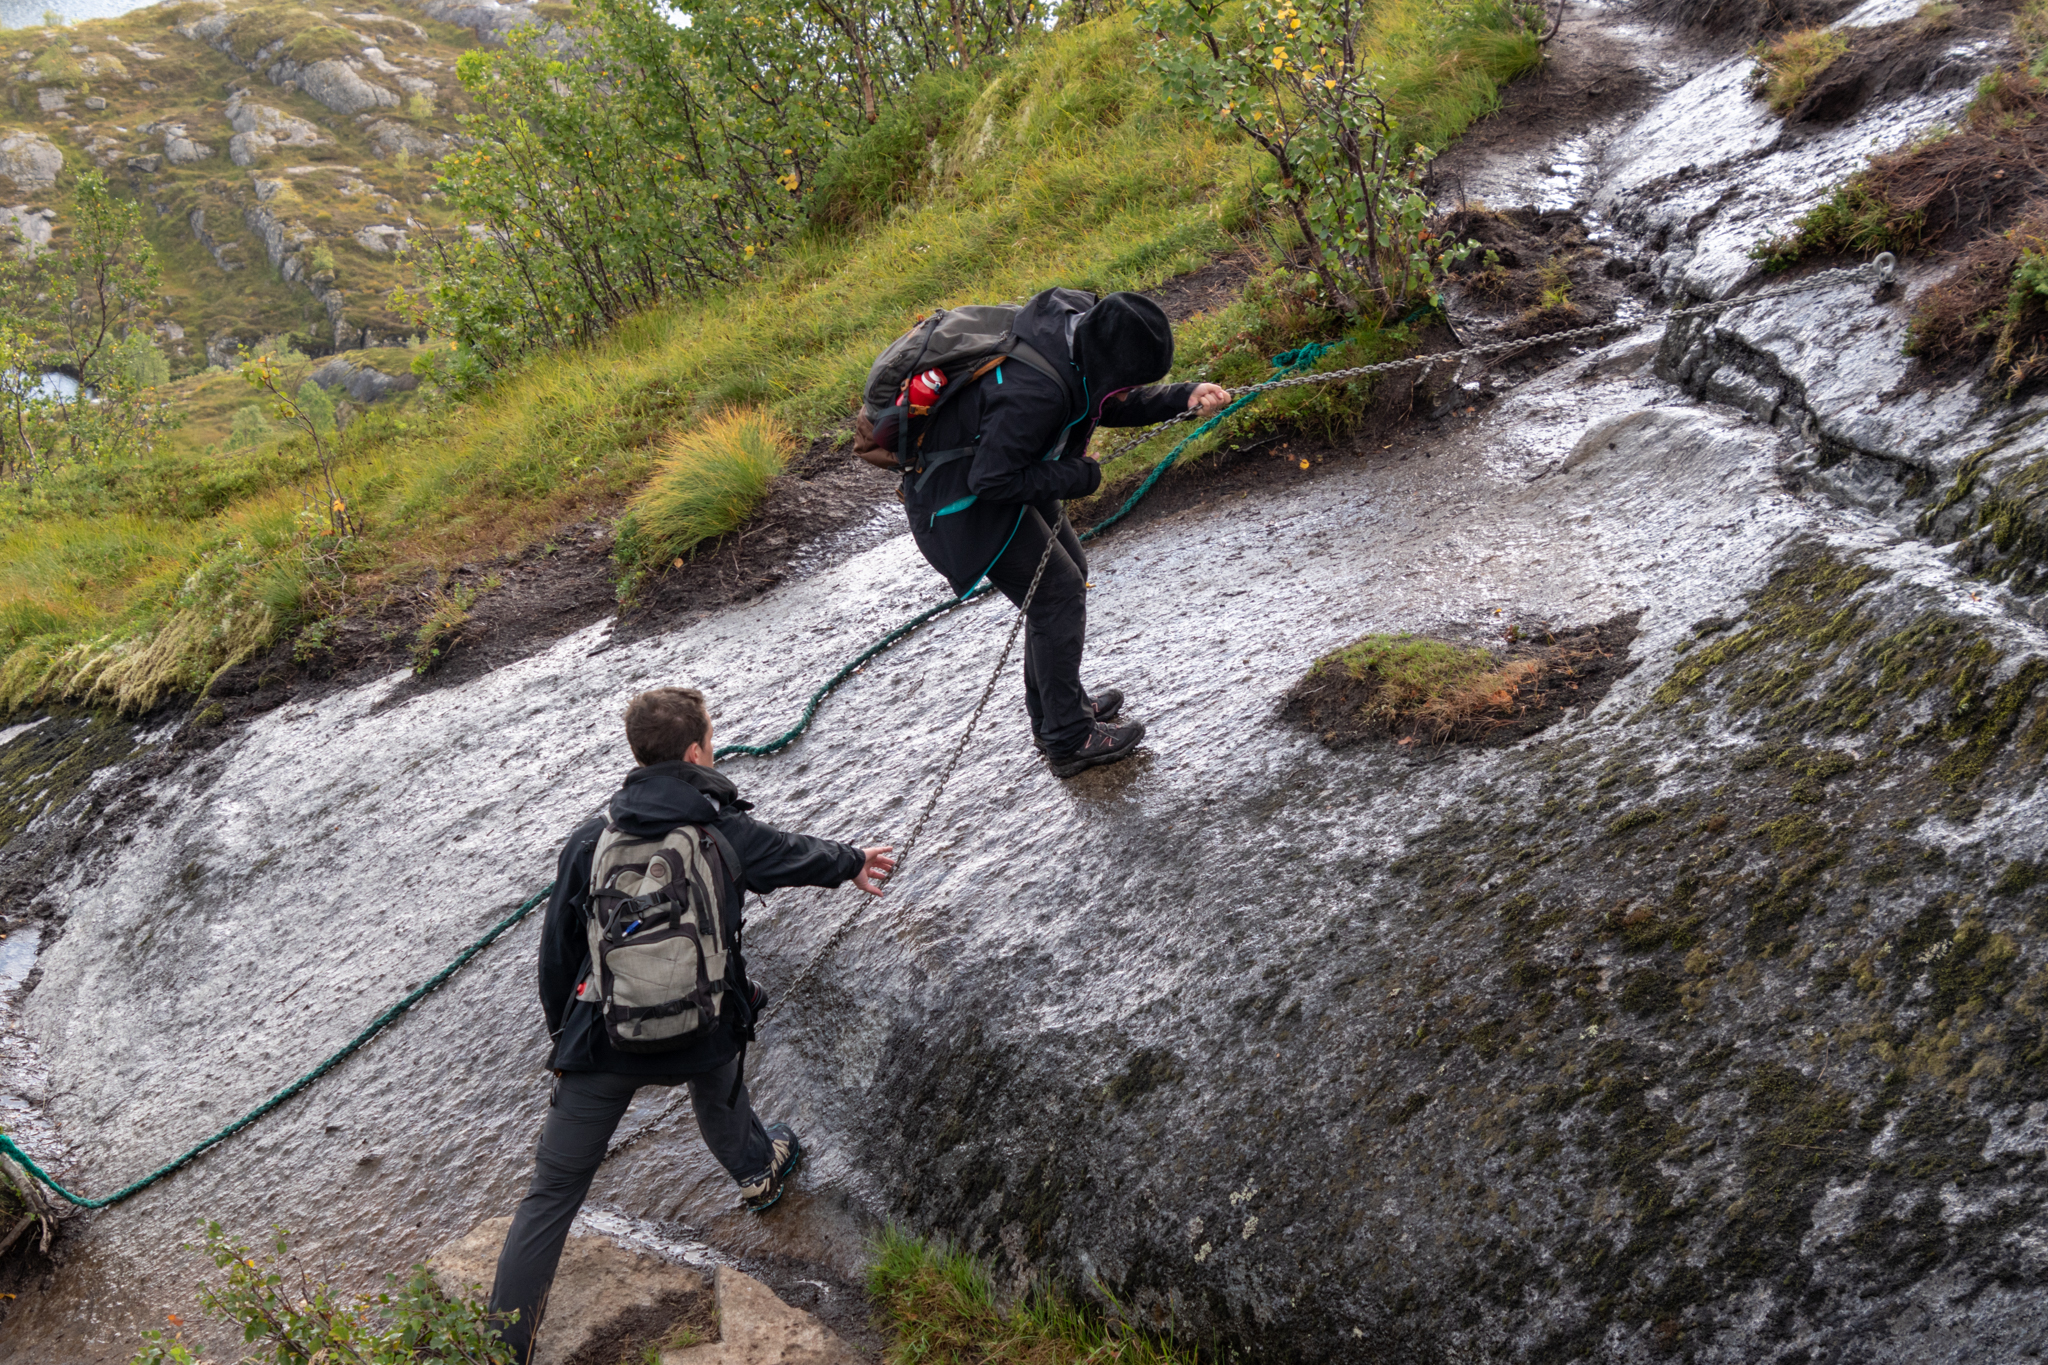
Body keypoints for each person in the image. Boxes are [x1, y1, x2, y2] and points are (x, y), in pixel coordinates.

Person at [487, 686, 894, 1364]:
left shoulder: (590, 841)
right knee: (720, 1074)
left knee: (551, 1196)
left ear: (637, 755)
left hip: (604, 1043)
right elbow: (793, 853)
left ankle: (500, 1351)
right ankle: (758, 1170)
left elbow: (557, 959)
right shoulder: (722, 829)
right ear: (698, 750)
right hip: (704, 1032)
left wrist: (568, 1038)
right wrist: (854, 861)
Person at [870, 288, 1230, 778]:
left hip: (1014, 469)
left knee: (1068, 575)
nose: (1127, 389)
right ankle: (1068, 739)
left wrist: (1180, 396)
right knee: (1056, 595)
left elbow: (1104, 401)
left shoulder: (1075, 333)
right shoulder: (1033, 392)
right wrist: (1079, 476)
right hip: (962, 502)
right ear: (1107, 360)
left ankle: (1059, 713)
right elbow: (991, 480)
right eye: (1130, 381)